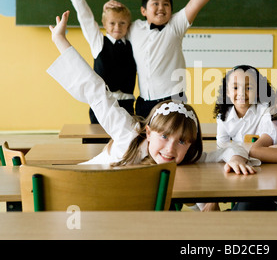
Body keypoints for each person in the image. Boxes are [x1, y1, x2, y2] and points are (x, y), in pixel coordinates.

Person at [47, 11, 257, 176]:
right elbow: (97, 92)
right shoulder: (128, 134)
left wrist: (236, 158)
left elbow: (231, 150)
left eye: (182, 141)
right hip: (82, 189)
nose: (170, 148)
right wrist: (59, 40)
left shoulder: (187, 155)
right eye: (164, 136)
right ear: (147, 132)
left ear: (191, 145)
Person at [105, 0, 231, 118]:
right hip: (144, 101)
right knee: (144, 139)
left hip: (172, 98)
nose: (161, 8)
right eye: (155, 3)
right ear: (143, 10)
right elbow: (114, 23)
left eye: (166, 4)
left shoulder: (175, 26)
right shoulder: (134, 27)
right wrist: (108, 7)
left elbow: (195, 3)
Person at [62, 0, 136, 124]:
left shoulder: (132, 43)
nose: (117, 27)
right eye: (112, 23)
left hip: (128, 105)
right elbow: (85, 16)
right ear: (104, 24)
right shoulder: (98, 42)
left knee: (127, 146)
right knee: (98, 145)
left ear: (128, 25)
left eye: (122, 23)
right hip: (103, 105)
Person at [213, 65, 275, 146]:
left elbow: (265, 143)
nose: (241, 93)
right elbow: (222, 146)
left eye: (249, 88)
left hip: (260, 155)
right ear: (227, 91)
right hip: (236, 156)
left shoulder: (266, 111)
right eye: (235, 88)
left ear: (258, 92)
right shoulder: (223, 116)